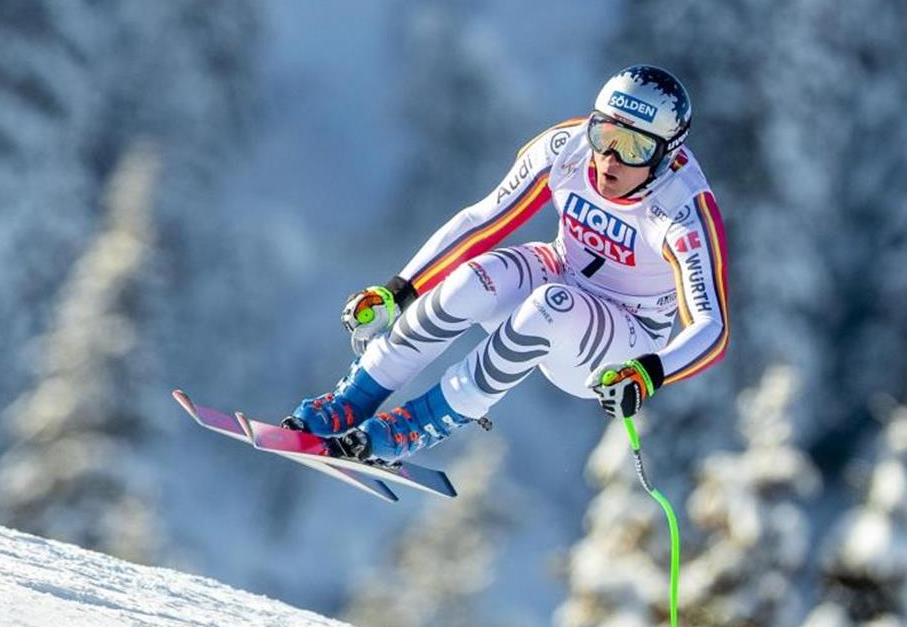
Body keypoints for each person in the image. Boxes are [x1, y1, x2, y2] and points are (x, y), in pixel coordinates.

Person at [285, 64, 729, 464]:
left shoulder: (681, 209)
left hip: (622, 339)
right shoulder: (567, 148)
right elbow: (484, 219)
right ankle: (353, 399)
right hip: (561, 270)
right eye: (605, 135)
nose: (609, 159)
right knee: (472, 280)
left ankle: (415, 426)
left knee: (549, 305)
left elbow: (711, 328)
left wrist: (648, 373)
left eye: (633, 148)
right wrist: (397, 291)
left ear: (667, 155)